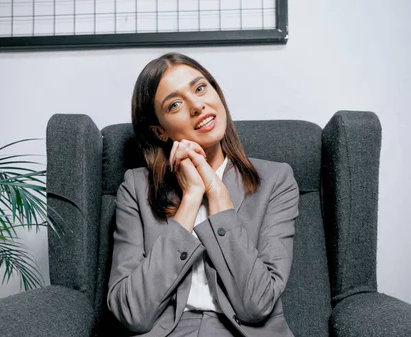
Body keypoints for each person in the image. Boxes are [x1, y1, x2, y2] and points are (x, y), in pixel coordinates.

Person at [107, 52, 300, 337]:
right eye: (175, 104)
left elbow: (256, 305)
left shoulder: (275, 180)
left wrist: (217, 195)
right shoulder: (135, 188)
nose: (197, 105)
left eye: (200, 88)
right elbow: (133, 313)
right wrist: (191, 196)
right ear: (160, 131)